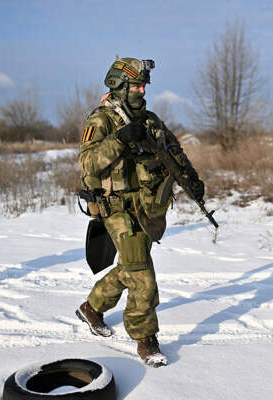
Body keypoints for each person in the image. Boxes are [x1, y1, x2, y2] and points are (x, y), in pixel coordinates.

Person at [76, 58, 204, 367]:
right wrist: (119, 139)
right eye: (136, 85)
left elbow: (173, 151)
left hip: (148, 205)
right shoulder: (102, 120)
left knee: (131, 267)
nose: (142, 90)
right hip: (116, 207)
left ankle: (92, 307)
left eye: (144, 85)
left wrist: (192, 179)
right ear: (118, 86)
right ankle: (145, 339)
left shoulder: (150, 120)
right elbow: (88, 164)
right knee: (142, 276)